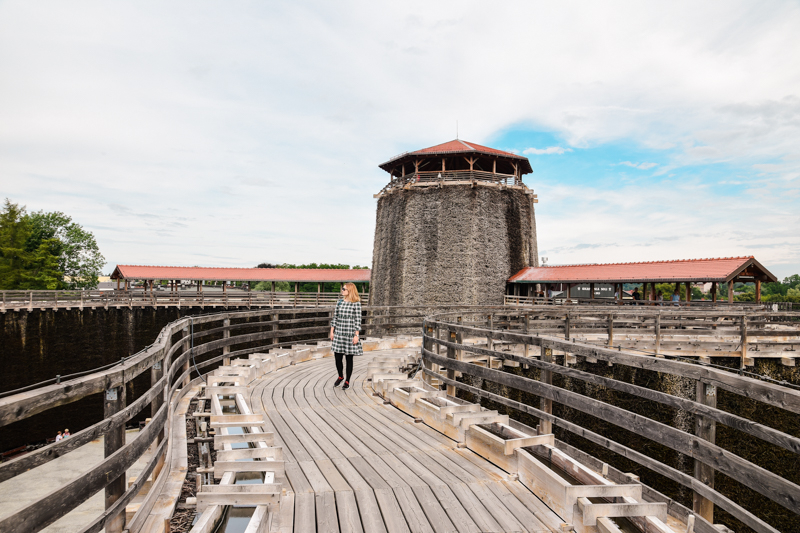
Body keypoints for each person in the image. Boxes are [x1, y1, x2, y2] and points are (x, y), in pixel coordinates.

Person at [329, 282, 363, 390]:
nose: (342, 290)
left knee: (349, 358)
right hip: (339, 333)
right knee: (337, 358)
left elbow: (358, 320)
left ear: (350, 291)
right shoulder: (339, 302)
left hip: (350, 334)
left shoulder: (356, 303)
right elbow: (335, 317)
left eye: (344, 289)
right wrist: (332, 331)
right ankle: (340, 376)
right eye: (342, 289)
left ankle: (347, 380)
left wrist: (356, 335)